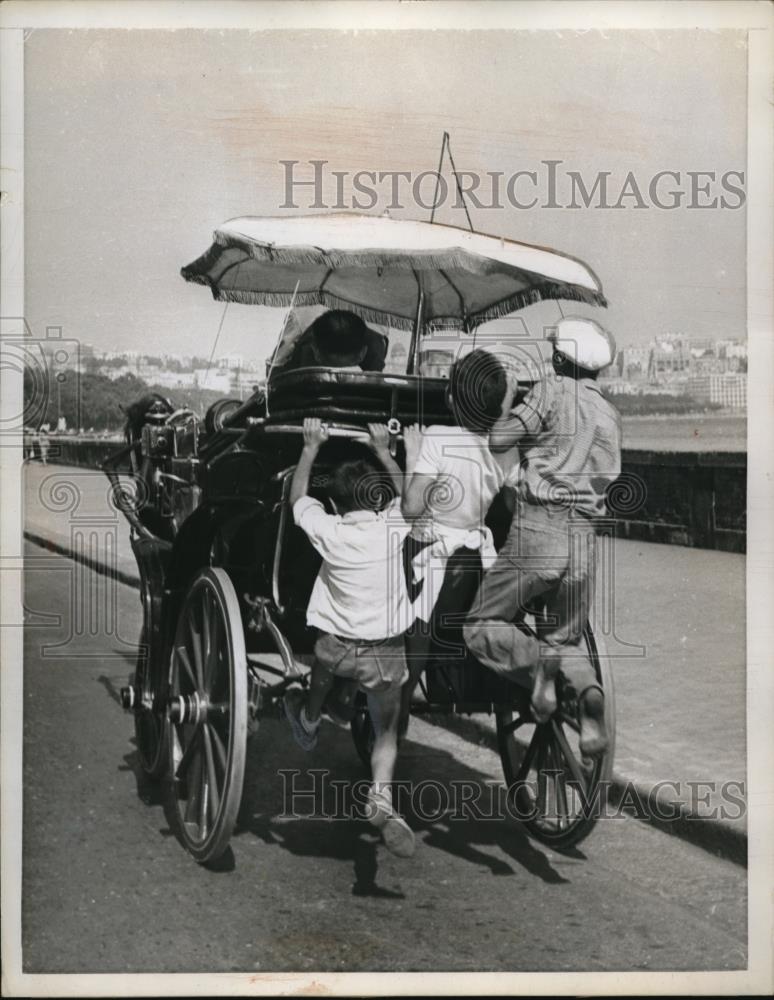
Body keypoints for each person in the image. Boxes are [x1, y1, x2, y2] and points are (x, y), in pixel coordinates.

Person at [463, 317, 622, 759]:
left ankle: (543, 677)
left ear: (557, 358)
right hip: (586, 541)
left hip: (541, 528)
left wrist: (511, 399)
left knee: (479, 626)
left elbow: (499, 440)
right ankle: (587, 691)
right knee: (562, 639)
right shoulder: (609, 414)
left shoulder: (550, 391)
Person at [284, 417, 416, 857]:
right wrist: (384, 450)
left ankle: (311, 716)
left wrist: (310, 447)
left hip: (337, 650)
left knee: (322, 664)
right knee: (386, 731)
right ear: (378, 499)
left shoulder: (331, 532)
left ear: (337, 506)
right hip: (384, 653)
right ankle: (380, 794)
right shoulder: (393, 528)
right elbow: (411, 499)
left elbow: (298, 499)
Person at [399, 348, 517, 734]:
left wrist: (412, 455)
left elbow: (412, 509)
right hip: (477, 557)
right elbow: (513, 502)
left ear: (450, 397)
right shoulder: (504, 451)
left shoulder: (437, 438)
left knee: (411, 605)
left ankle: (399, 700)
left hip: (432, 557)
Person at [279, 309, 388, 372]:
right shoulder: (379, 318)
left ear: (316, 352)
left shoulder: (302, 314)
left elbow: (277, 365)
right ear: (362, 353)